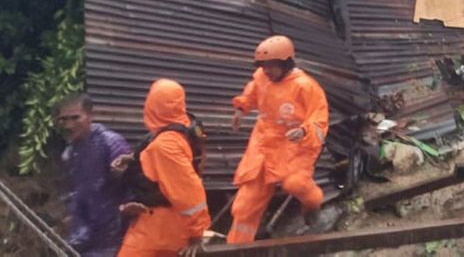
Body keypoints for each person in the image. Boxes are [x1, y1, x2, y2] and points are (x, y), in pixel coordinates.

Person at [226, 34, 329, 244]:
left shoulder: (306, 86)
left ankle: (313, 206)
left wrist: (304, 131)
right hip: (263, 145)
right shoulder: (261, 78)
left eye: (270, 65)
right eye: (263, 66)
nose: (266, 70)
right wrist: (241, 108)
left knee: (295, 184)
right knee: (243, 207)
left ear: (285, 63)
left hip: (295, 146)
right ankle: (236, 249)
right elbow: (252, 92)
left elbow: (319, 119)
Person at [115, 79, 210, 257]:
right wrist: (134, 159)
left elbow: (189, 191)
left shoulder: (164, 146)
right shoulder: (182, 128)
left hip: (160, 226)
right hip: (168, 224)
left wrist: (197, 234)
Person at [55, 92, 132, 257]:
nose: (68, 125)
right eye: (63, 119)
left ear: (90, 115)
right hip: (82, 240)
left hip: (113, 241)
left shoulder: (111, 144)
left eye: (75, 118)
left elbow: (133, 186)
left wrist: (121, 174)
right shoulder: (69, 153)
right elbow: (72, 193)